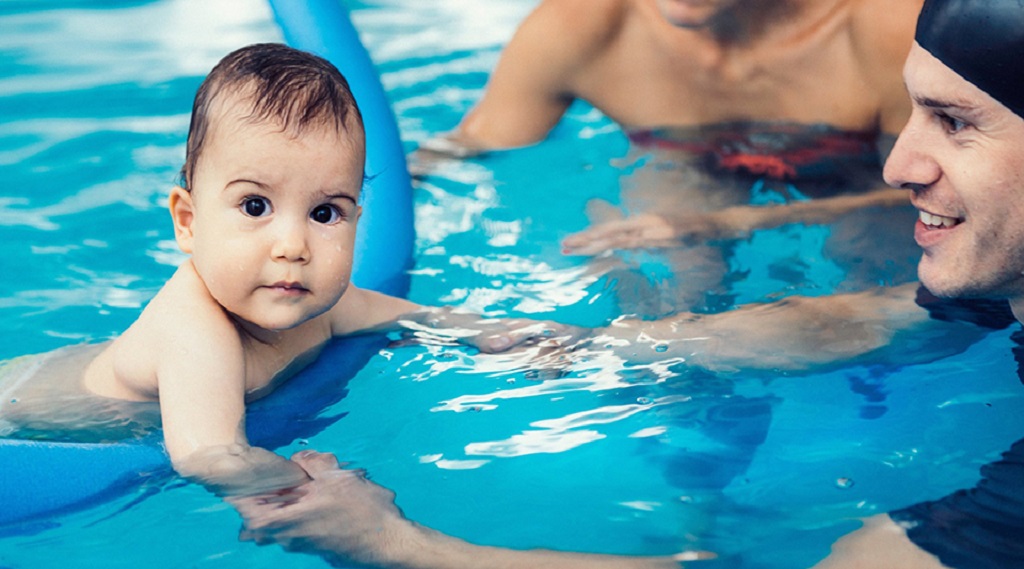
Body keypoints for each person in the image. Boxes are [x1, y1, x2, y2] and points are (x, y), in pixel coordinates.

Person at [235, 0, 1024, 566]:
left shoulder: (874, 28)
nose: (903, 164)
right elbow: (879, 316)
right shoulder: (582, 27)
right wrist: (592, 346)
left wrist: (393, 542)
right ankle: (697, 485)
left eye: (954, 121)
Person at [0, 43, 582, 498]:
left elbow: (422, 317)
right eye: (255, 207)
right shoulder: (195, 330)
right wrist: (303, 487)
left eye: (325, 212)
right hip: (29, 407)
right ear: (188, 221)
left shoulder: (319, 304)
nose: (294, 245)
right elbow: (207, 456)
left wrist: (502, 336)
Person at [416, 0, 923, 255]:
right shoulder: (585, 25)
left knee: (868, 272)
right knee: (658, 274)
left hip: (864, 183)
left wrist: (732, 223)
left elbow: (939, 199)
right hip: (683, 162)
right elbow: (463, 150)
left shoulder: (884, 26)